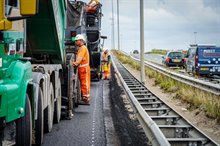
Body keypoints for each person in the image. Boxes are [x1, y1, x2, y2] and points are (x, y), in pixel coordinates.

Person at [71, 34, 91, 104]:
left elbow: (79, 58)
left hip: (83, 68)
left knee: (84, 83)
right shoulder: (82, 48)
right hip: (83, 68)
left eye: (77, 41)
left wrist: (74, 63)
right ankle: (85, 97)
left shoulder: (82, 48)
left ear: (81, 41)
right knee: (84, 83)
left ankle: (86, 98)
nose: (75, 42)